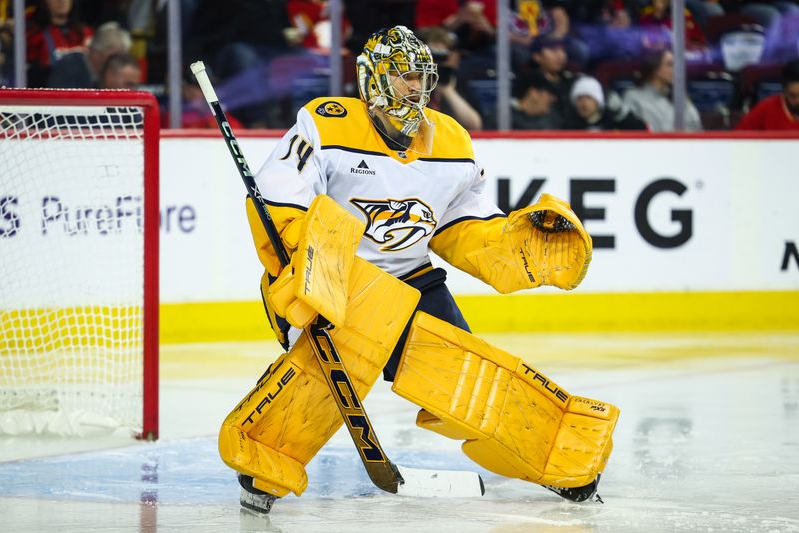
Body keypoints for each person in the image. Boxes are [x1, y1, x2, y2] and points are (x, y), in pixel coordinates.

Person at [223, 25, 614, 515]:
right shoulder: (327, 124)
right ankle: (264, 463)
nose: (416, 89)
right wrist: (304, 264)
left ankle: (557, 459)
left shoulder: (450, 139)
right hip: (341, 284)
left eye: (421, 78)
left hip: (413, 281)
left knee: (469, 383)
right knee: (317, 385)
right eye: (404, 76)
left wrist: (508, 244)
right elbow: (281, 196)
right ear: (373, 80)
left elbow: (461, 223)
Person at [418, 26, 483, 131]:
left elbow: (474, 125)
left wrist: (447, 90)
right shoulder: (411, 82)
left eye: (443, 57)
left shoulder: (455, 80)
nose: (436, 63)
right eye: (433, 56)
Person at [623, 49, 703, 131]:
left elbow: (696, 128)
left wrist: (683, 96)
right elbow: (631, 132)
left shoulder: (676, 98)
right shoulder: (633, 97)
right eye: (670, 64)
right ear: (656, 69)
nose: (676, 69)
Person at [26, 0, 93, 87]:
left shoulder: (86, 34)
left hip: (85, 95)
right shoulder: (35, 37)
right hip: (50, 95)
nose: (61, 1)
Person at [46, 21, 131, 88]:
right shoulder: (69, 67)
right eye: (115, 57)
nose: (118, 64)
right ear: (97, 53)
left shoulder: (103, 76)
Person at [563, 75, 648, 130]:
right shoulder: (569, 125)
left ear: (598, 101)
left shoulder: (610, 121)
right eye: (580, 98)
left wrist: (620, 111)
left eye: (589, 98)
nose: (584, 103)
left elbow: (641, 130)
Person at [736, 59, 799, 130]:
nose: (798, 101)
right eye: (793, 96)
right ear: (784, 91)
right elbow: (739, 136)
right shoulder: (766, 109)